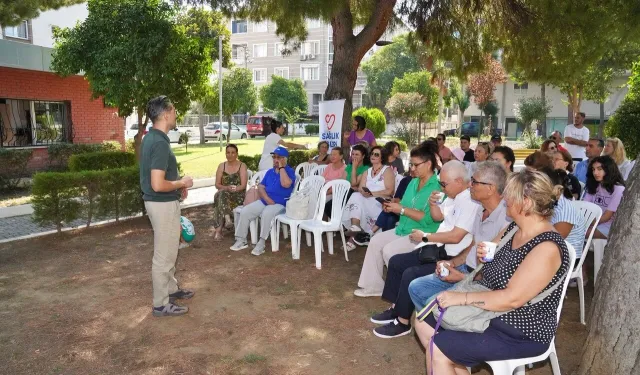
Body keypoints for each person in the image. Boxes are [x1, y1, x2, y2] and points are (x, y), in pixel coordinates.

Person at [415, 169, 571, 374]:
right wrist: (471, 265)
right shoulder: (513, 229)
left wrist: (461, 298)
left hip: (521, 327)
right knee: (422, 322)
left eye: (510, 194)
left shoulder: (546, 247)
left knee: (439, 347)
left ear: (526, 202)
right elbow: (488, 268)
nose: (504, 197)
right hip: (492, 308)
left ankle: (445, 361)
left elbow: (512, 299)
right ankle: (450, 366)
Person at [369, 161, 483, 338]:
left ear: (459, 181)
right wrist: (432, 204)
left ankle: (402, 322)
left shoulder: (470, 202)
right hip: (437, 247)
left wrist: (425, 236)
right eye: (441, 183)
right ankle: (395, 309)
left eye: (444, 184)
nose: (442, 187)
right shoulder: (453, 196)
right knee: (397, 262)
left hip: (451, 254)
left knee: (410, 273)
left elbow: (456, 236)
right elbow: (439, 217)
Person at [408, 161, 510, 319]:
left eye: (475, 182)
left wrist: (462, 277)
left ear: (490, 188)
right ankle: (436, 329)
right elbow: (472, 245)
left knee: (434, 302)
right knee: (416, 287)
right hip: (466, 270)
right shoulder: (481, 210)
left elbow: (497, 276)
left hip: (481, 282)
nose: (470, 185)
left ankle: (441, 332)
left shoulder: (506, 220)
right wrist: (453, 263)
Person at [353, 144, 442, 297]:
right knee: (375, 242)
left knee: (390, 251)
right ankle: (373, 286)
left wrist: (400, 209)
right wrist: (393, 206)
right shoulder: (413, 182)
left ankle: (400, 294)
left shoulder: (437, 187)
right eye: (411, 164)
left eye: (415, 165)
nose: (412, 168)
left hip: (421, 234)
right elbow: (405, 205)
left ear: (428, 164)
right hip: (403, 228)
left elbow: (427, 219)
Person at [140, 96, 195, 317]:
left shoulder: (152, 138)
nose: (175, 114)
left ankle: (170, 290)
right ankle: (161, 304)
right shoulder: (160, 142)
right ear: (166, 114)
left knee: (170, 249)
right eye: (173, 110)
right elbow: (157, 183)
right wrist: (182, 182)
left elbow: (160, 179)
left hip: (162, 201)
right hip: (161, 204)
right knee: (164, 255)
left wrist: (175, 186)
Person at [231, 146, 296, 255]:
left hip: (280, 203)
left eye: (278, 157)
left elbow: (286, 184)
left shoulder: (289, 171)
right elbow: (261, 186)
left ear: (284, 159)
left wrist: (281, 168)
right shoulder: (270, 172)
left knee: (266, 213)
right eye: (274, 157)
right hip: (266, 200)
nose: (275, 159)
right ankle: (241, 240)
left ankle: (261, 243)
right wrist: (266, 198)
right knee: (246, 211)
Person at [342, 146, 395, 250]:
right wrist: (364, 192)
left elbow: (390, 191)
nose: (373, 156)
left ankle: (353, 238)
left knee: (356, 197)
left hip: (380, 202)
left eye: (376, 154)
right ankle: (355, 226)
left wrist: (372, 194)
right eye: (372, 154)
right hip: (367, 199)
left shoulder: (387, 170)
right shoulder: (368, 171)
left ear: (382, 157)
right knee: (356, 194)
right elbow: (361, 188)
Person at [583, 155, 625, 239]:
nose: (595, 173)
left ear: (608, 170)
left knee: (580, 233)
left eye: (599, 169)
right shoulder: (594, 185)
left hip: (609, 226)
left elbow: (607, 217)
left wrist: (586, 223)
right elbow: (584, 207)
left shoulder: (619, 189)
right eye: (593, 169)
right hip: (591, 222)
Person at [323, 145, 370, 219]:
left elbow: (354, 183)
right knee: (327, 206)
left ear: (363, 156)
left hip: (354, 194)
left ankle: (339, 224)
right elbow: (341, 181)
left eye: (357, 154)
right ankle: (336, 225)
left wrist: (354, 167)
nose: (354, 156)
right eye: (353, 154)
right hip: (344, 191)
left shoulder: (365, 168)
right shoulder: (349, 167)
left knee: (333, 207)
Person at [212, 144, 248, 241]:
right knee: (221, 193)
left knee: (219, 197)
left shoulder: (242, 166)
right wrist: (226, 188)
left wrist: (235, 189)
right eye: (228, 152)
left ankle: (218, 231)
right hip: (224, 194)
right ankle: (227, 219)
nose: (230, 155)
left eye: (233, 152)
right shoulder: (221, 166)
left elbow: (243, 186)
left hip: (238, 195)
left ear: (237, 154)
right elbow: (217, 184)